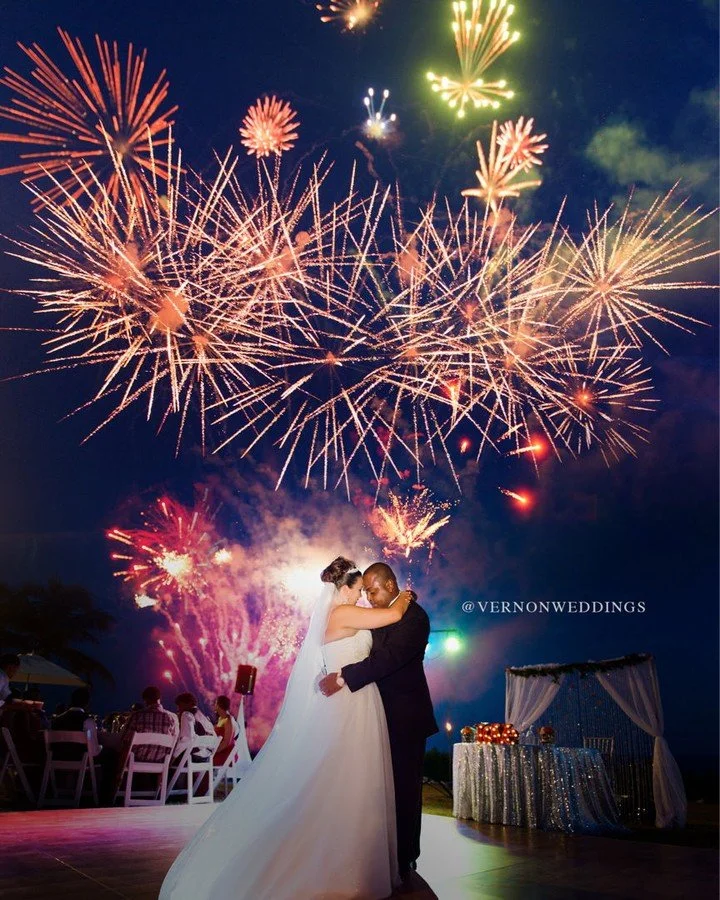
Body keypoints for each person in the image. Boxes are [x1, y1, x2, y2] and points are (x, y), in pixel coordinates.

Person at [159, 555, 414, 900]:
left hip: (354, 700)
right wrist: (405, 596)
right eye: (359, 590)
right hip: (352, 706)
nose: (362, 596)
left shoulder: (334, 615)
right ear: (345, 588)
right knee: (346, 779)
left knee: (346, 781)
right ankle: (335, 865)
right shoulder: (343, 613)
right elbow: (394, 615)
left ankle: (345, 859)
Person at [319, 561, 439, 880]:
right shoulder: (382, 612)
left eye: (372, 591)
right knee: (374, 788)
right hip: (373, 715)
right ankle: (376, 850)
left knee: (404, 790)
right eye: (364, 591)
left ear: (389, 585)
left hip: (406, 718)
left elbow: (387, 660)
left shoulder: (414, 616)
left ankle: (404, 857)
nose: (368, 599)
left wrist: (344, 676)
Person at [50, 687, 100, 761]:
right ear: (87, 703)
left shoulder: (57, 720)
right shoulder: (88, 721)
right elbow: (93, 751)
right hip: (79, 763)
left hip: (56, 761)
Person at [172, 693, 215, 763]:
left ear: (188, 703)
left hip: (192, 758)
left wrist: (173, 757)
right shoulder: (203, 716)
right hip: (206, 757)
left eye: (179, 705)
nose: (178, 709)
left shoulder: (186, 715)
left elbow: (186, 739)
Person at [212, 696, 240, 767]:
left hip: (226, 754)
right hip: (220, 751)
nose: (214, 705)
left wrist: (213, 752)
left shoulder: (229, 720)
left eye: (215, 703)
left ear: (219, 705)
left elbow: (226, 742)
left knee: (204, 761)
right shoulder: (220, 719)